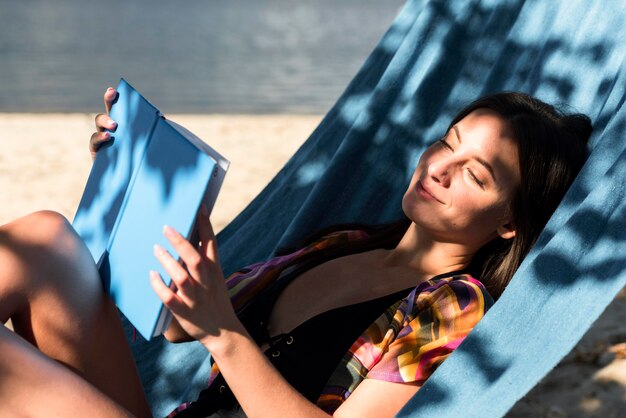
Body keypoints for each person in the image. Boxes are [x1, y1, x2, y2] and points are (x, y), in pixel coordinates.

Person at [0, 90, 590, 417]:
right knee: (49, 241)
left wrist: (224, 337)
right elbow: (183, 322)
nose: (439, 167)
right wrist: (141, 175)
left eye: (475, 174)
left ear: (510, 223)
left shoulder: (449, 308)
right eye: (447, 143)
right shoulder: (344, 243)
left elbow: (214, 330)